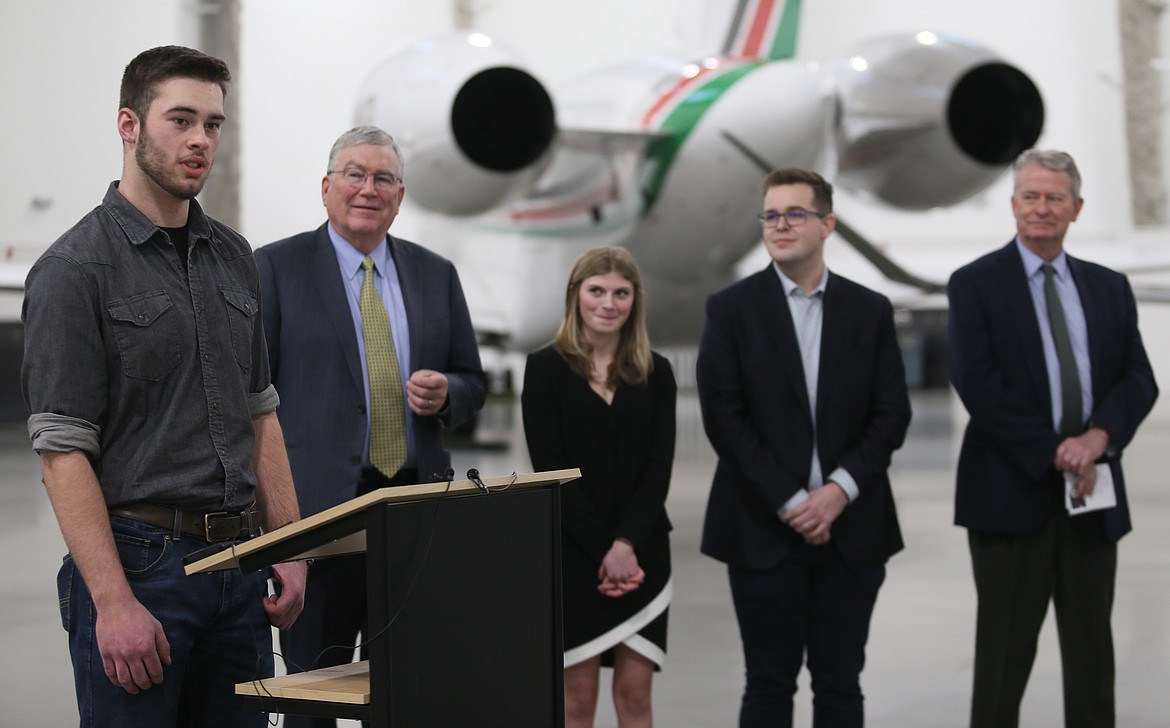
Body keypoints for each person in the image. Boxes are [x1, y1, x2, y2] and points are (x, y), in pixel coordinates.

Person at [20, 46, 306, 727]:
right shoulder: (73, 269)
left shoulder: (233, 257)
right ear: (129, 124)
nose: (200, 140)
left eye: (213, 124)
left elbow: (259, 411)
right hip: (141, 569)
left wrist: (288, 547)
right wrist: (114, 603)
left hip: (239, 571)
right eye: (181, 120)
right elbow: (62, 453)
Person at [254, 125, 487, 726]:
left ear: (400, 196)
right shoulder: (274, 269)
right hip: (318, 519)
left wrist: (448, 394)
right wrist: (271, 526)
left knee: (410, 686)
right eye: (354, 175)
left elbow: (473, 381)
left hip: (413, 513)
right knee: (314, 692)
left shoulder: (436, 274)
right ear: (327, 188)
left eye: (383, 178)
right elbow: (249, 397)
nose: (368, 188)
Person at [947, 149, 1158, 728]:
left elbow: (1139, 379)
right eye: (1031, 197)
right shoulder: (974, 285)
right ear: (1014, 205)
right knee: (1003, 659)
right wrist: (1055, 449)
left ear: (1076, 208)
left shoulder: (1108, 287)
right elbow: (977, 382)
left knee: (1093, 657)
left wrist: (1098, 438)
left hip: (1092, 496)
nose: (1042, 208)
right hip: (1010, 494)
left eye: (1055, 198)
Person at [696, 168, 911, 728]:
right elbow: (725, 418)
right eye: (771, 215)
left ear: (827, 224)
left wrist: (838, 491)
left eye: (795, 213)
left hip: (852, 530)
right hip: (763, 529)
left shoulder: (870, 310)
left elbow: (891, 414)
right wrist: (791, 501)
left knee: (841, 684)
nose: (781, 225)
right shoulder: (730, 310)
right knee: (768, 685)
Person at [521, 246, 676, 728]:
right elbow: (551, 470)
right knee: (576, 700)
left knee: (635, 696)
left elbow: (658, 470)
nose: (608, 303)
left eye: (621, 293)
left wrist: (626, 545)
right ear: (576, 295)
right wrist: (605, 550)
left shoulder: (657, 372)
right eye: (597, 290)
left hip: (643, 552)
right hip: (574, 553)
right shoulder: (545, 369)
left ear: (635, 301)